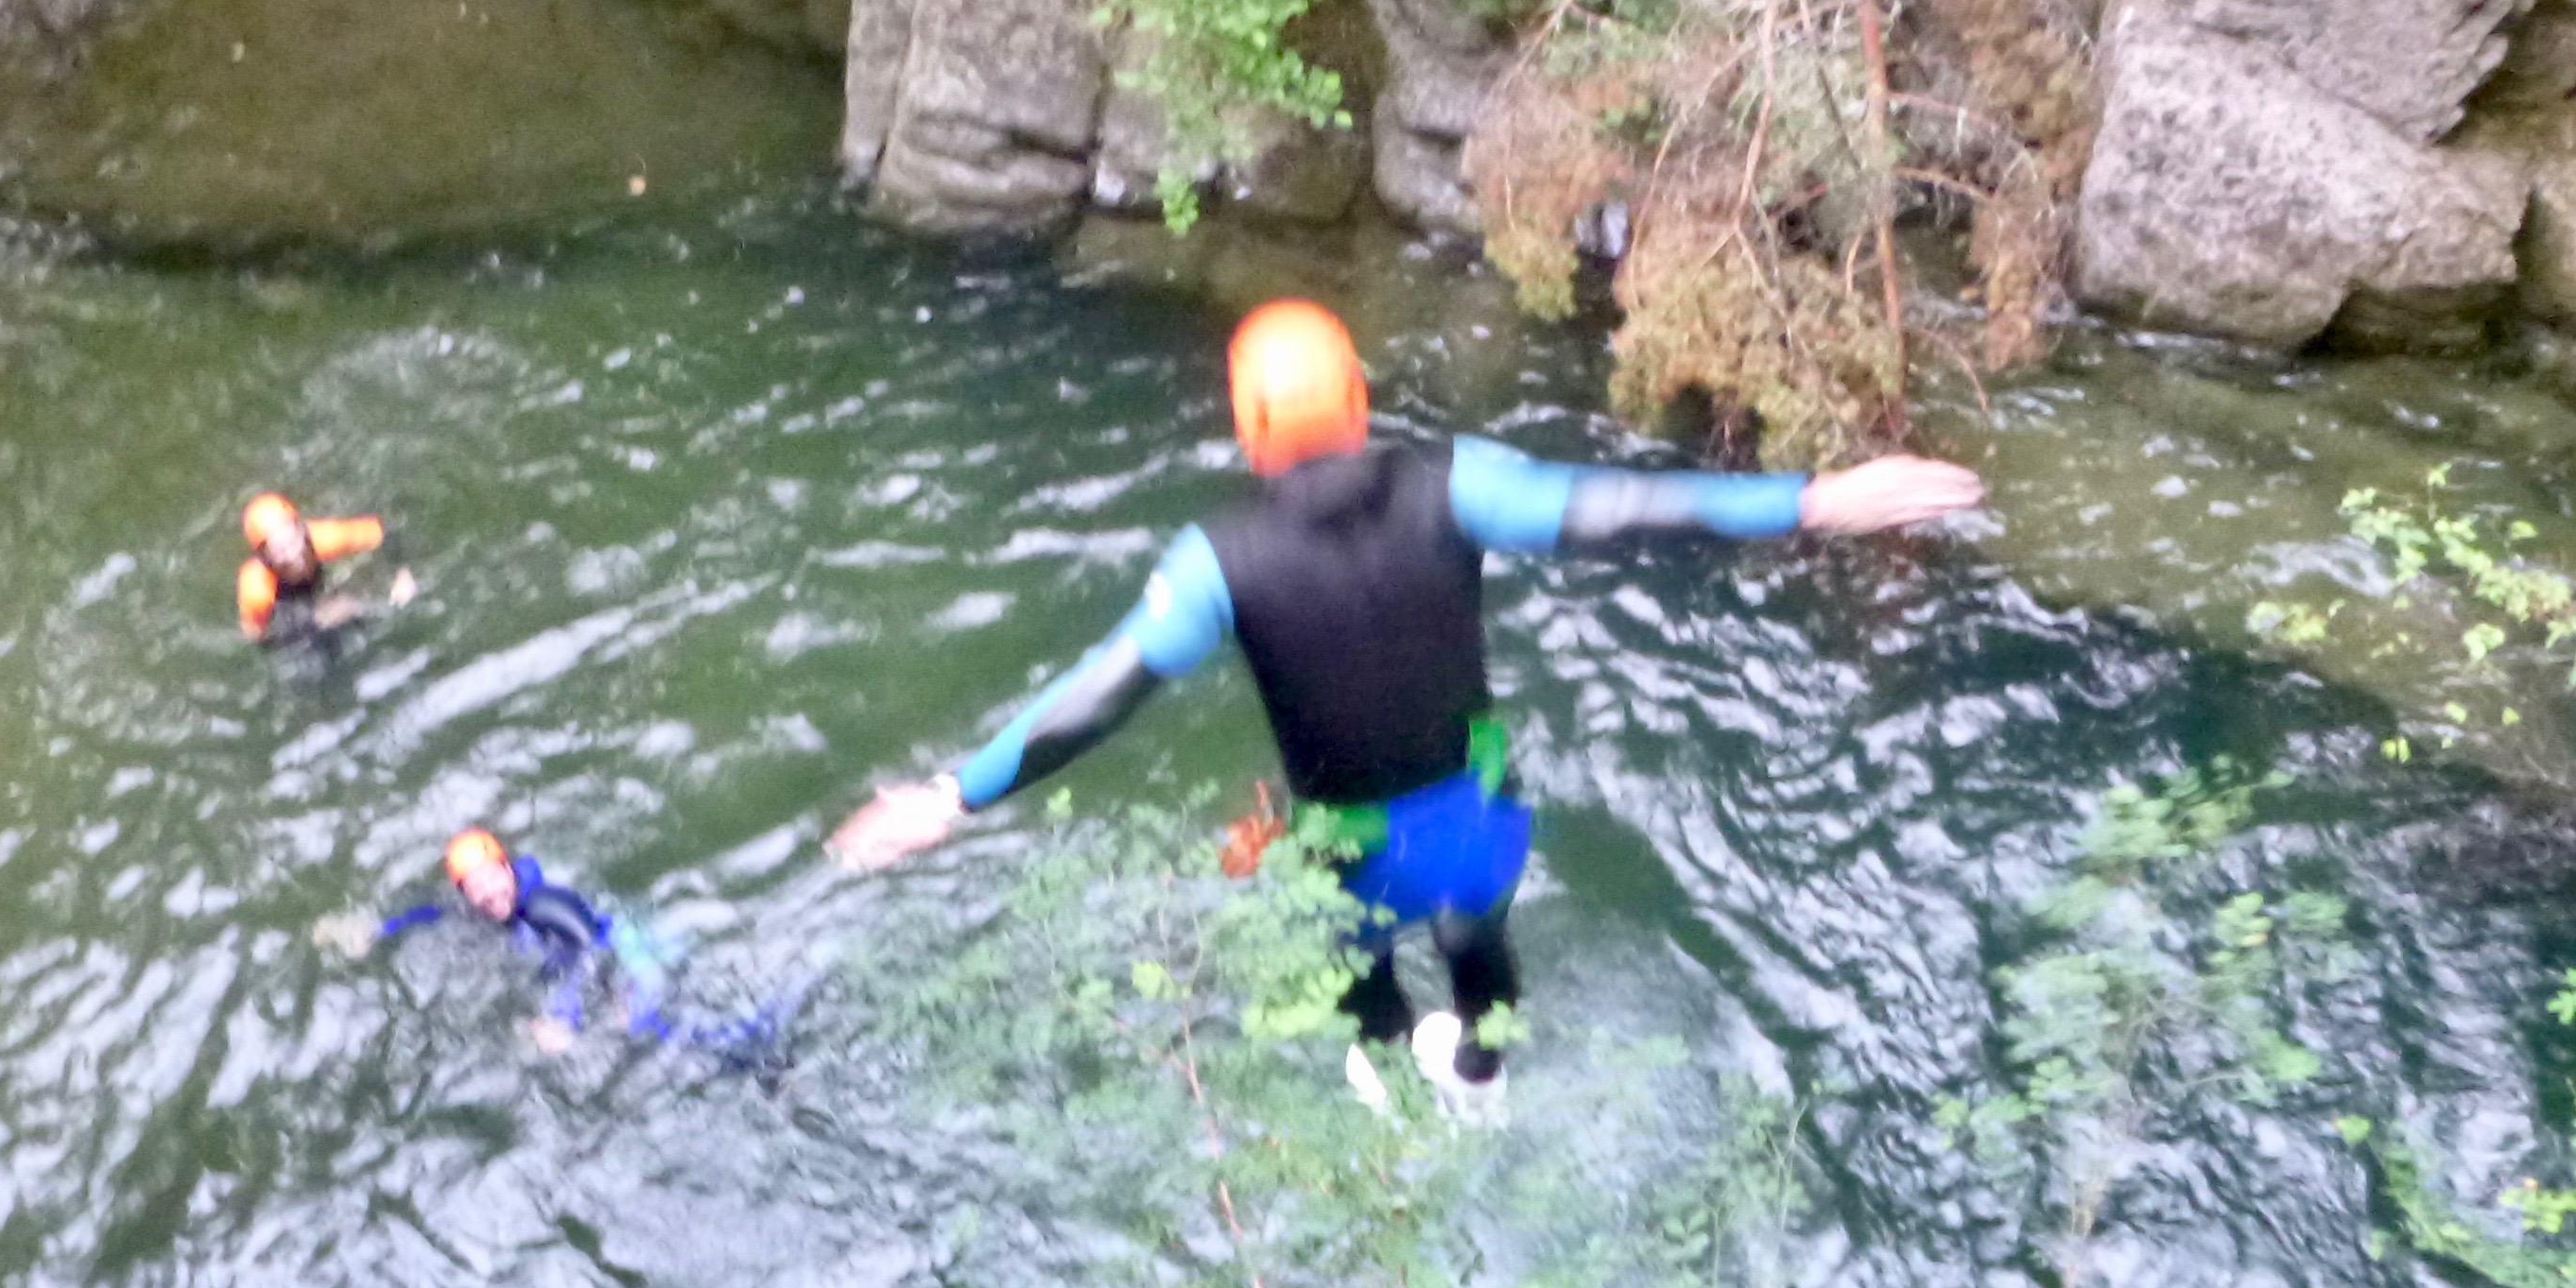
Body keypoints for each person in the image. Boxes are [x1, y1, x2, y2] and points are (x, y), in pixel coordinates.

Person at [826, 300, 1983, 1100]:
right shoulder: (1460, 486)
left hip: (1349, 842)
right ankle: (1484, 1072)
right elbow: (1621, 511)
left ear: (1246, 428)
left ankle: (1387, 1062)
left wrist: (953, 796)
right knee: (1479, 940)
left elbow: (1097, 698)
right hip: (1482, 814)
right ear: (1363, 398)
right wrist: (1815, 501)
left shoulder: (1214, 566)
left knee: (1360, 966)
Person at [332, 827, 793, 1072]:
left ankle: (759, 1053)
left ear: (509, 869)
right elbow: (435, 912)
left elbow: (587, 952)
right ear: (464, 892)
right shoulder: (486, 905)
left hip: (620, 949)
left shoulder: (543, 905)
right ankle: (757, 1047)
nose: (490, 894)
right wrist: (378, 928)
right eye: (476, 889)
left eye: (494, 878)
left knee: (647, 1027)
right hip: (613, 938)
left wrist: (565, 1020)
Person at [236, 491, 389, 643]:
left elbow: (384, 533)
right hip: (286, 604)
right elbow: (258, 636)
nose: (293, 556)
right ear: (264, 556)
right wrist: (314, 622)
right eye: (279, 550)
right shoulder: (257, 589)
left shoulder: (326, 538)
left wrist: (401, 574)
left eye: (293, 541)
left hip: (317, 586)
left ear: (302, 530)